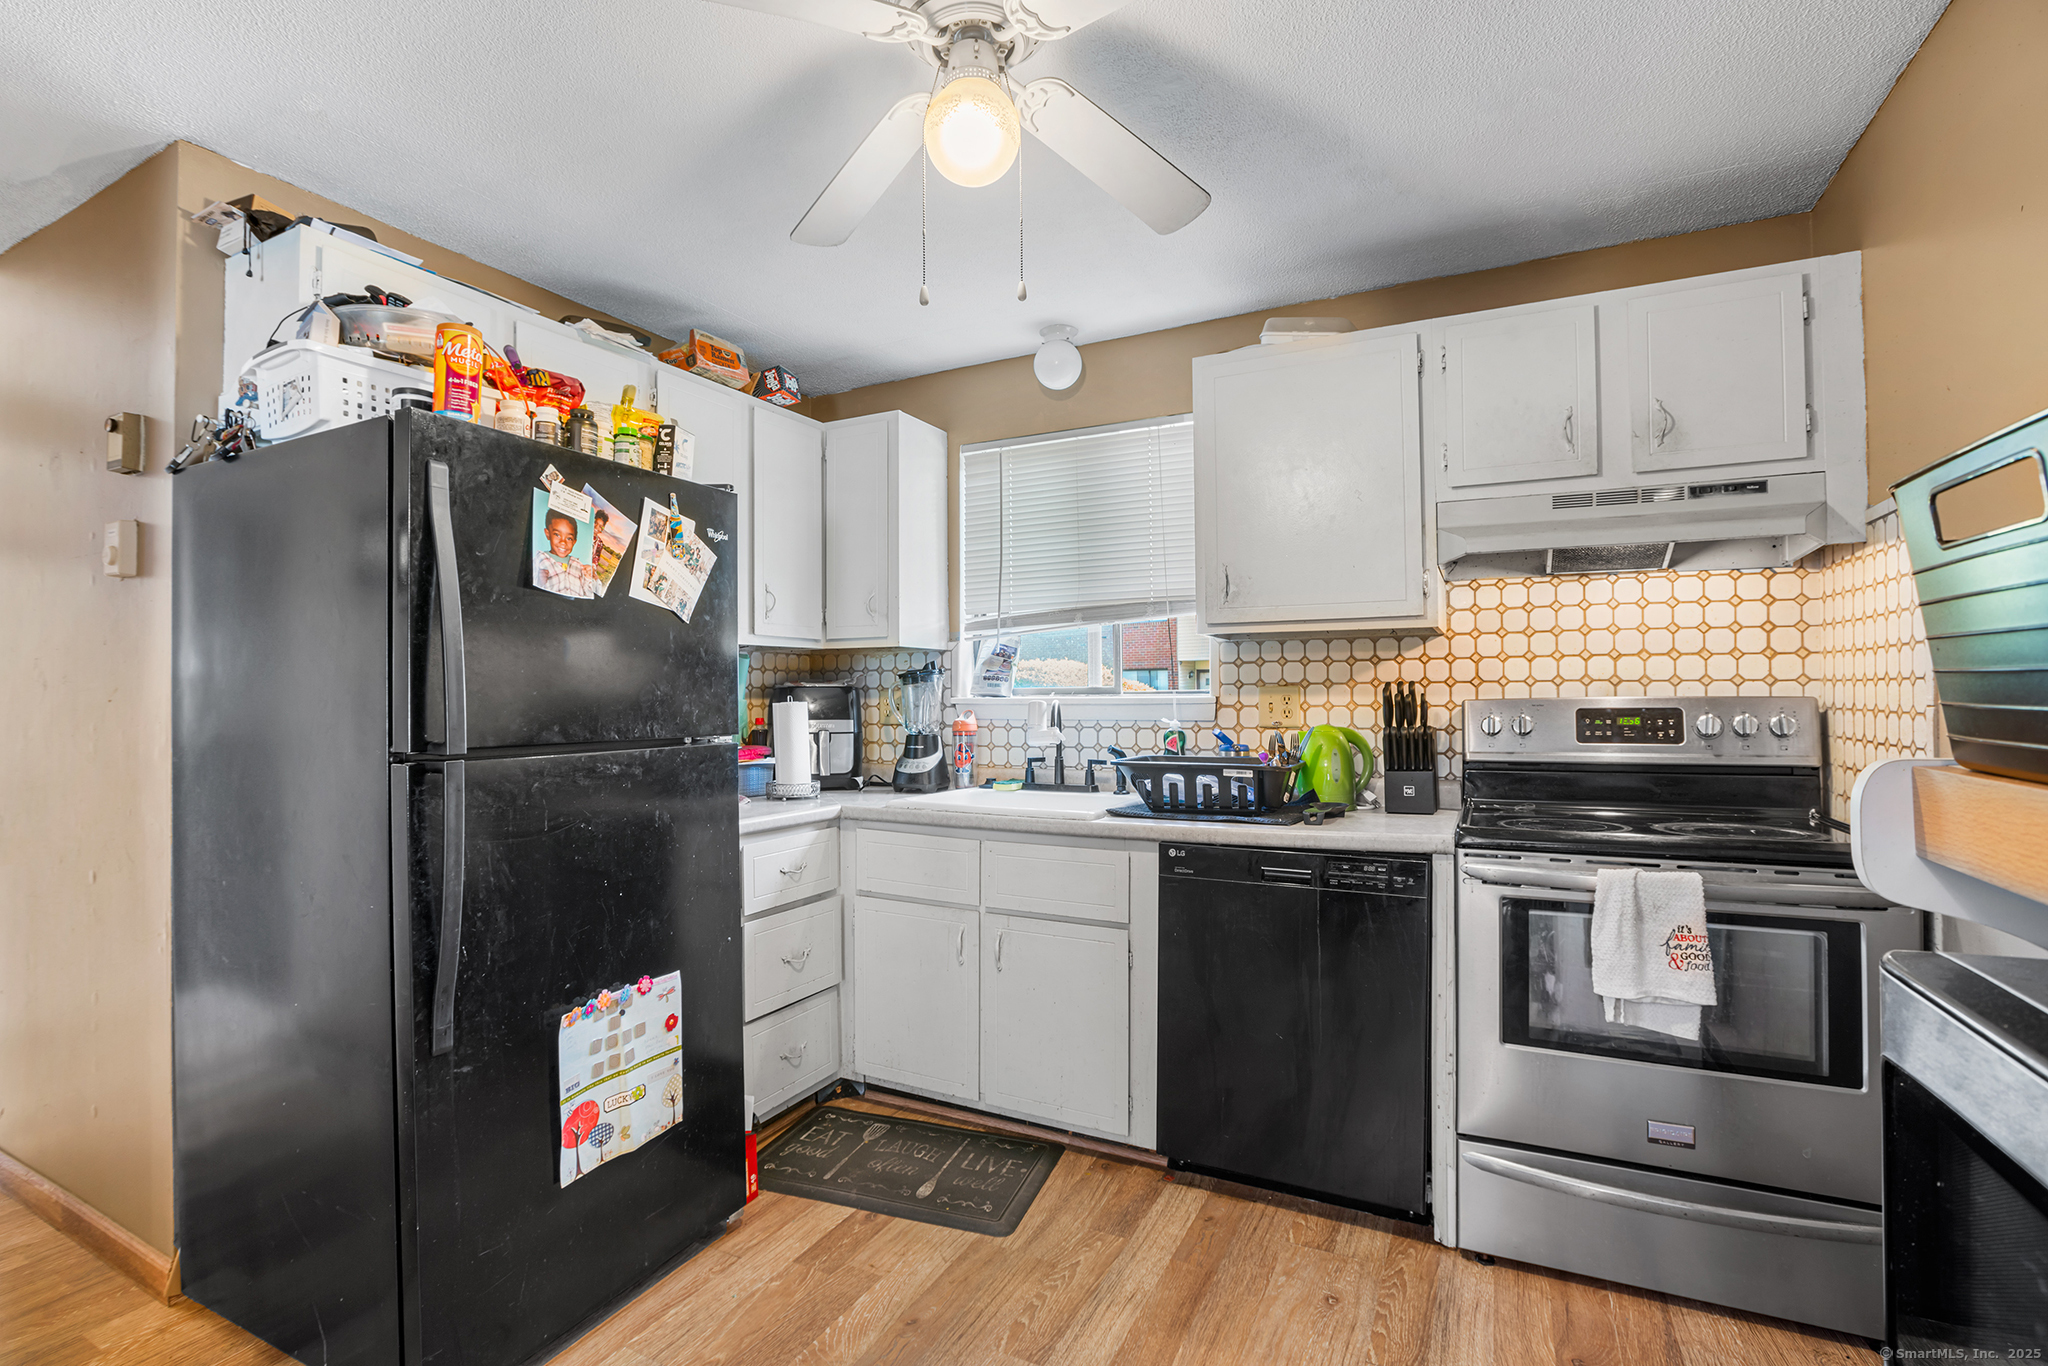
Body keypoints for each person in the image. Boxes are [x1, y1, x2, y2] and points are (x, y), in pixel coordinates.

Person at [536, 508, 595, 598]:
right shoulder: (540, 559)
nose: (563, 542)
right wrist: (538, 581)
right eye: (557, 534)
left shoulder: (578, 565)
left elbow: (588, 594)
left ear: (574, 541)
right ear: (547, 534)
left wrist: (588, 578)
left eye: (569, 538)